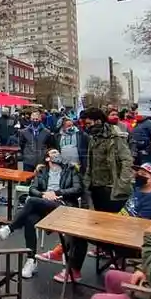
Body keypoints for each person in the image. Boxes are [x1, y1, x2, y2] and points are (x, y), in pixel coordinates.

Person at [48, 107, 135, 284]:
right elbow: (90, 162)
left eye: (88, 123)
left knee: (112, 230)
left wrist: (121, 186)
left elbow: (127, 162)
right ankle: (75, 269)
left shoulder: (116, 138)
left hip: (112, 190)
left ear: (98, 120)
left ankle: (114, 256)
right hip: (94, 188)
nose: (85, 127)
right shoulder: (93, 138)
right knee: (83, 228)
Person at [0, 148, 82, 279]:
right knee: (30, 219)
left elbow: (77, 188)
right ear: (47, 158)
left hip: (63, 205)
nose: (56, 154)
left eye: (57, 153)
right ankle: (31, 260)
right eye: (53, 153)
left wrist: (56, 193)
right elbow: (32, 189)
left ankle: (10, 228)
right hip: (44, 204)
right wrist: (43, 194)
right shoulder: (42, 171)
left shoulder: (70, 169)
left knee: (32, 201)